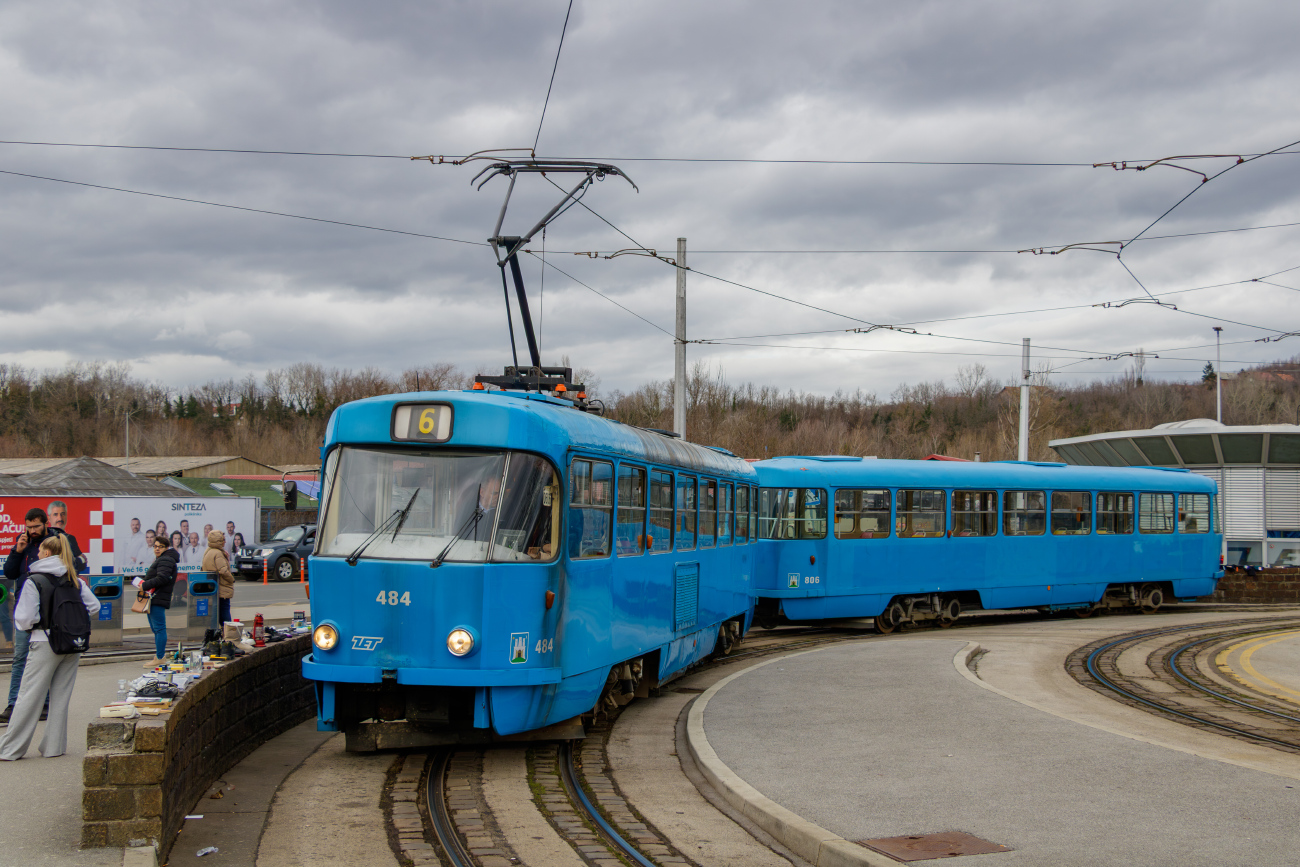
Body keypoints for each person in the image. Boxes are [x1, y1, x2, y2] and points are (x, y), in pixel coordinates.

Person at [0, 535, 98, 760]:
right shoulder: (74, 579)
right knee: (61, 697)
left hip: (44, 642)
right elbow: (94, 606)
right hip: (71, 643)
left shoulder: (35, 580)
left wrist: (38, 623)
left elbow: (24, 618)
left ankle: (9, 749)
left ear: (44, 552)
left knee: (29, 696)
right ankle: (54, 748)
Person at [1, 508, 86, 724]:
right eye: (29, 527)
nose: (32, 531)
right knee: (21, 658)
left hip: (51, 609)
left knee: (47, 658)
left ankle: (44, 705)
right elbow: (10, 573)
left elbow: (77, 564)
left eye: (36, 526)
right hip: (25, 606)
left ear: (45, 523)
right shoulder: (24, 543)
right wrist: (17, 551)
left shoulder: (57, 541)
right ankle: (13, 705)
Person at [133, 537, 179, 667]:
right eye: (155, 546)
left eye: (160, 546)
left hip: (157, 598)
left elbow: (162, 578)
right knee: (156, 628)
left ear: (166, 548)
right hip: (154, 597)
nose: (157, 548)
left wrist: (145, 585)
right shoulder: (164, 559)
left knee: (159, 629)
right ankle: (159, 655)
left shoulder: (165, 559)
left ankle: (160, 657)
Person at [202, 531, 235, 625]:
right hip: (222, 587)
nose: (225, 542)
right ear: (218, 541)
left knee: (217, 613)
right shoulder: (218, 553)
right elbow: (223, 570)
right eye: (223, 540)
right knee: (225, 612)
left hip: (213, 587)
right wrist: (232, 579)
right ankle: (228, 634)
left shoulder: (208, 551)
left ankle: (219, 633)